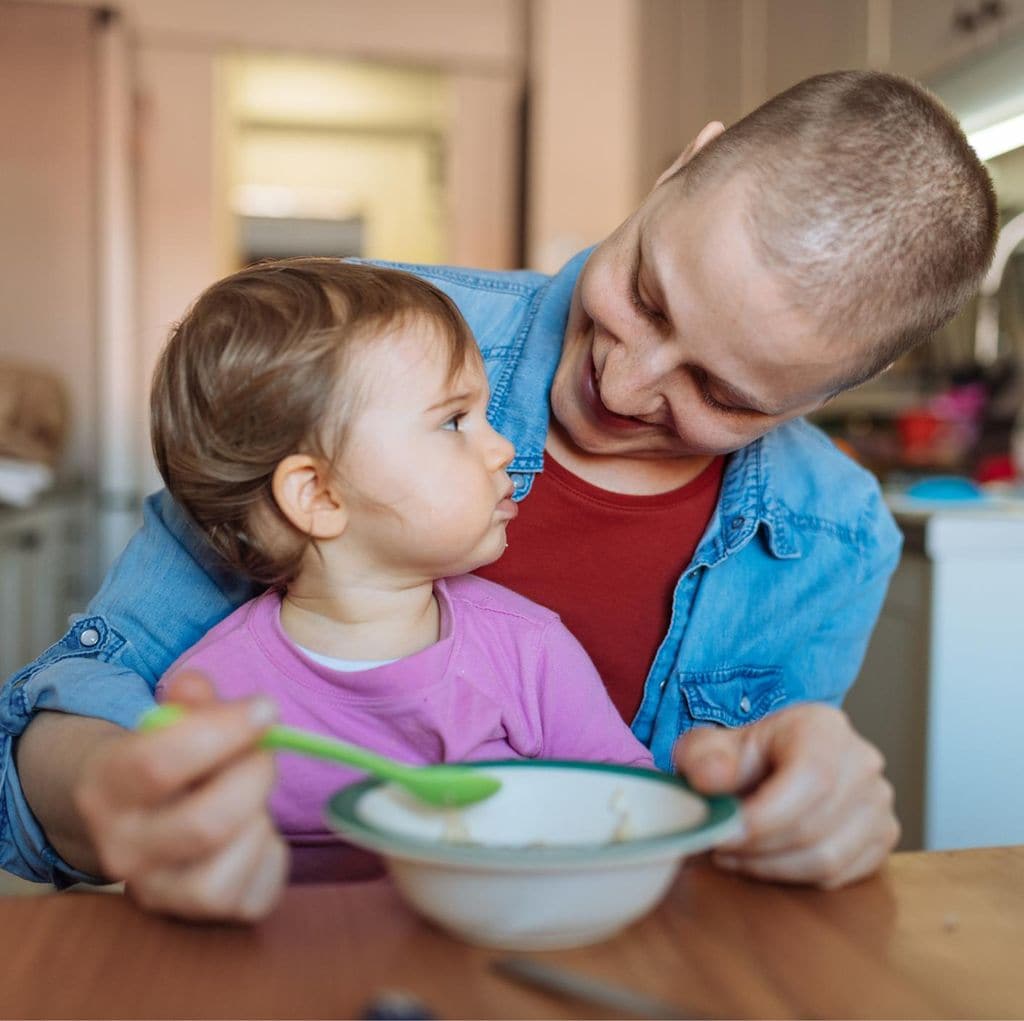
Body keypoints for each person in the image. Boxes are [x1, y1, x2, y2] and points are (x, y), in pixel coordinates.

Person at [1, 71, 997, 921]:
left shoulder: (832, 536)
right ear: (678, 167)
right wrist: (115, 796)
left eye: (720, 393)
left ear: (836, 389)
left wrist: (795, 809)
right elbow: (57, 726)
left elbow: (696, 859)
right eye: (646, 294)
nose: (623, 383)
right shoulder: (356, 350)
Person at [149, 258, 653, 860]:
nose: (505, 449)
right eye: (455, 421)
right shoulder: (206, 697)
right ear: (319, 494)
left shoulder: (529, 648)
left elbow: (635, 811)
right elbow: (170, 871)